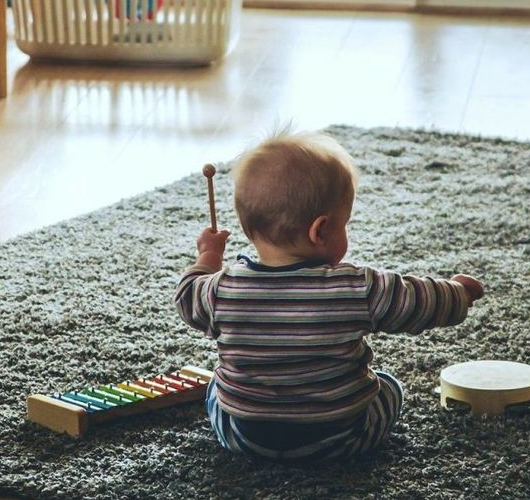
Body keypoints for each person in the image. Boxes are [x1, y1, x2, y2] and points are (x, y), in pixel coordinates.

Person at [175, 129, 485, 461]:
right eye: (344, 224)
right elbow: (418, 300)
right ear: (320, 231)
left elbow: (187, 296)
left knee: (215, 387)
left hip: (246, 438)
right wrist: (459, 292)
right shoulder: (357, 287)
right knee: (390, 386)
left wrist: (208, 256)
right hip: (341, 437)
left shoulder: (220, 290)